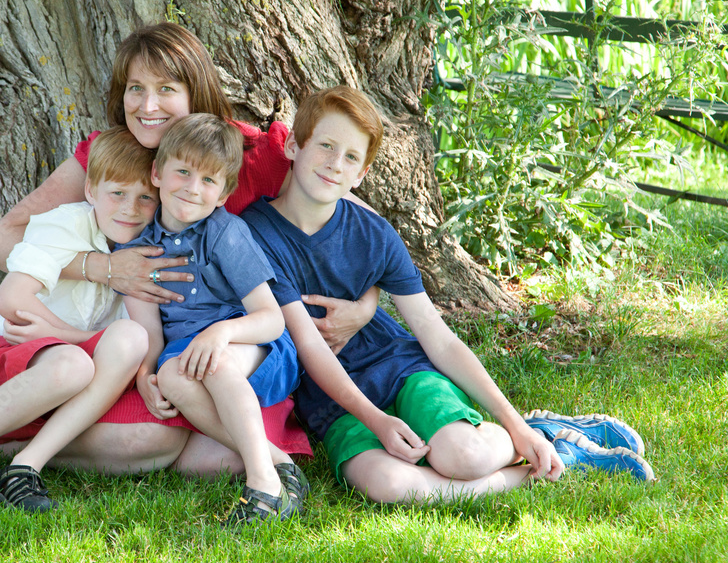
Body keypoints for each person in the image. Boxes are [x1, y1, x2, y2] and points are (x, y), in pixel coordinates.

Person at [0, 22, 372, 476]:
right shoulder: (111, 157)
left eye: (166, 89)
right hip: (144, 342)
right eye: (135, 89)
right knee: (155, 435)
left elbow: (358, 222)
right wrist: (103, 267)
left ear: (196, 91)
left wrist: (368, 305)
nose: (148, 105)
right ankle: (6, 441)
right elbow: (1, 241)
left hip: (231, 347)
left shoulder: (251, 154)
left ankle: (22, 438)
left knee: (215, 456)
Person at [239, 86, 655, 503]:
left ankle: (532, 433)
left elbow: (437, 337)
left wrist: (513, 422)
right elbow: (310, 346)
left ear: (361, 175)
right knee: (388, 486)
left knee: (464, 457)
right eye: (325, 146)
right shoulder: (256, 232)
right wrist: (378, 421)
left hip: (400, 368)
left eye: (350, 157)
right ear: (293, 144)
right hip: (333, 397)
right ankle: (552, 456)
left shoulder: (375, 235)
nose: (334, 164)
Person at [0, 128, 161, 512]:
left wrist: (66, 335)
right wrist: (75, 341)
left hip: (68, 390)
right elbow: (11, 298)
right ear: (91, 190)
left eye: (145, 198)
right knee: (72, 364)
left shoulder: (144, 249)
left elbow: (140, 340)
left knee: (132, 345)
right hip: (5, 368)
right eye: (118, 194)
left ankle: (21, 467)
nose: (131, 208)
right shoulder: (66, 224)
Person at [120, 113, 305, 524]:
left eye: (207, 180)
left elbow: (271, 319)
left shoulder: (226, 233)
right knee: (171, 376)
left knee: (215, 364)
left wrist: (222, 333)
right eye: (182, 171)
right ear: (157, 172)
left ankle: (263, 484)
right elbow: (148, 325)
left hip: (255, 347)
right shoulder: (140, 247)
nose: (191, 187)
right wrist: (144, 375)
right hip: (185, 355)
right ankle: (278, 462)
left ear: (224, 193)